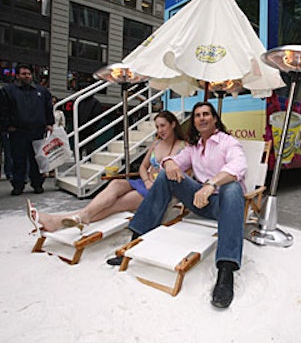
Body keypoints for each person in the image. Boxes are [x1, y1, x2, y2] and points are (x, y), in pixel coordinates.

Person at [107, 102, 247, 309]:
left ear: (215, 118)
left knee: (233, 187)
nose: (202, 118)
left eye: (206, 114)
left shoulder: (228, 143)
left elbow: (238, 166)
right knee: (166, 175)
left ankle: (226, 272)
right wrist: (169, 163)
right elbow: (175, 161)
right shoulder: (193, 147)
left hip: (224, 205)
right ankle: (135, 241)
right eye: (197, 115)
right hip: (199, 201)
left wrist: (210, 185)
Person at [27, 111, 186, 232]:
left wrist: (155, 185)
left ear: (173, 124)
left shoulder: (183, 147)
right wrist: (146, 181)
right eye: (157, 126)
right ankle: (83, 215)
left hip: (160, 191)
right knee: (116, 183)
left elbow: (185, 176)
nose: (160, 130)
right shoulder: (156, 143)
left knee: (116, 204)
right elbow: (143, 167)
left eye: (163, 126)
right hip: (145, 183)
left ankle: (59, 221)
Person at [0, 64, 54, 195]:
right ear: (17, 76)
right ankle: (18, 185)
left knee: (37, 159)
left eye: (28, 74)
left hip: (37, 130)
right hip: (18, 131)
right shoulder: (8, 91)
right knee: (18, 160)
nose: (27, 76)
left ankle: (37, 184)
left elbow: (48, 108)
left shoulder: (42, 91)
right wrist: (7, 126)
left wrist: (49, 123)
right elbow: (3, 110)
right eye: (23, 74)